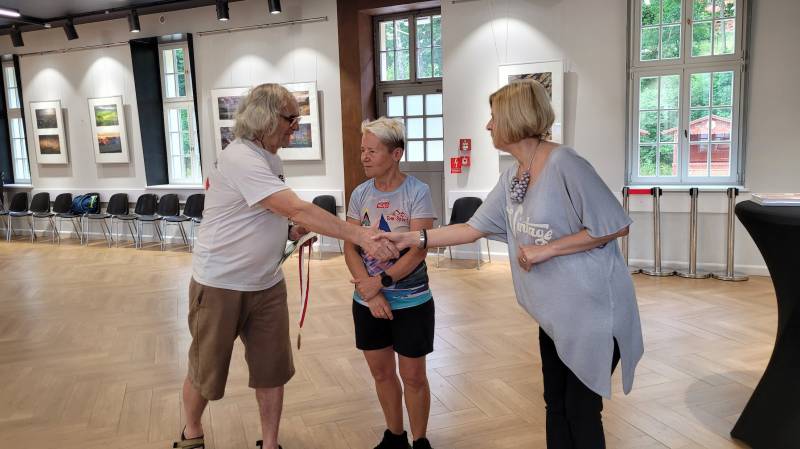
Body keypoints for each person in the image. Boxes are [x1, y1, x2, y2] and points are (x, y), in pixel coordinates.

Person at [379, 79, 644, 449]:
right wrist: (412, 238)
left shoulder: (565, 163)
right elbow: (471, 228)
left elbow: (615, 225)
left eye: (493, 116)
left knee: (581, 409)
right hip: (556, 315)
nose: (488, 125)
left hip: (595, 313)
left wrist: (548, 250)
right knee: (555, 404)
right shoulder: (513, 175)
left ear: (515, 118)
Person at [175, 84, 398, 449]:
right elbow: (294, 206)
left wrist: (290, 231)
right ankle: (192, 431)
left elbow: (271, 213)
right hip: (220, 285)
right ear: (264, 117)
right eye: (291, 118)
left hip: (266, 284)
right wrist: (361, 235)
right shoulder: (239, 157)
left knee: (272, 369)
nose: (296, 126)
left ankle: (270, 442)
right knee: (206, 371)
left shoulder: (270, 159)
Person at [345, 118, 436, 449]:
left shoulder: (418, 192)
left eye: (372, 151)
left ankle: (420, 441)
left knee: (413, 376)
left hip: (412, 301)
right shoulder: (360, 193)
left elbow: (419, 250)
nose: (364, 157)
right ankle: (395, 437)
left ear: (396, 154)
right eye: (362, 151)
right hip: (368, 302)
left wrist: (380, 281)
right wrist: (370, 293)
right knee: (382, 374)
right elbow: (349, 247)